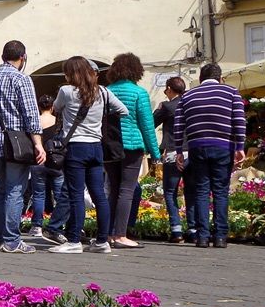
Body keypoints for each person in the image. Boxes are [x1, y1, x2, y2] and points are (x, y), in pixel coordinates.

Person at [48, 56, 128, 254]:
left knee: (75, 195)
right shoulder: (102, 91)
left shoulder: (66, 91)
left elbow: (55, 110)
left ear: (71, 73)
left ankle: (74, 240)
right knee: (99, 195)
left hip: (76, 147)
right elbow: (123, 110)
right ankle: (102, 241)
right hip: (96, 147)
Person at [0, 40, 44, 253]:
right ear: (22, 57)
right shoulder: (21, 78)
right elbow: (31, 113)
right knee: (15, 189)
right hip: (16, 144)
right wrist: (38, 143)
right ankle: (12, 240)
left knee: (1, 189)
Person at [174, 63, 246, 248]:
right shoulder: (231, 92)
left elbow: (179, 125)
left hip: (197, 146)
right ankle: (221, 236)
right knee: (221, 191)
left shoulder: (187, 96)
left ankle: (203, 236)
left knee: (201, 190)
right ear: (220, 77)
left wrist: (179, 151)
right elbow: (238, 120)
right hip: (223, 146)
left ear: (200, 78)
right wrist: (240, 146)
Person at [105, 53, 161, 249]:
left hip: (109, 147)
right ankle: (121, 234)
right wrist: (155, 154)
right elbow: (147, 126)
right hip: (132, 146)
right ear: (137, 70)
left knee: (112, 190)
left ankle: (110, 233)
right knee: (126, 190)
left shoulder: (106, 91)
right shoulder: (139, 93)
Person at [154, 76, 196, 243]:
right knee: (191, 192)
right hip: (192, 152)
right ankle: (193, 229)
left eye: (165, 90)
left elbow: (151, 122)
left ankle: (176, 230)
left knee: (170, 192)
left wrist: (158, 109)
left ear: (170, 89)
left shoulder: (167, 106)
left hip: (173, 152)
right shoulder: (191, 104)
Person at [30, 93, 71, 244]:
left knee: (39, 195)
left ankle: (36, 225)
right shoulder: (57, 121)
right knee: (61, 194)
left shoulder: (36, 121)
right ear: (53, 107)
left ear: (39, 107)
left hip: (38, 161)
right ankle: (60, 223)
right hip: (56, 162)